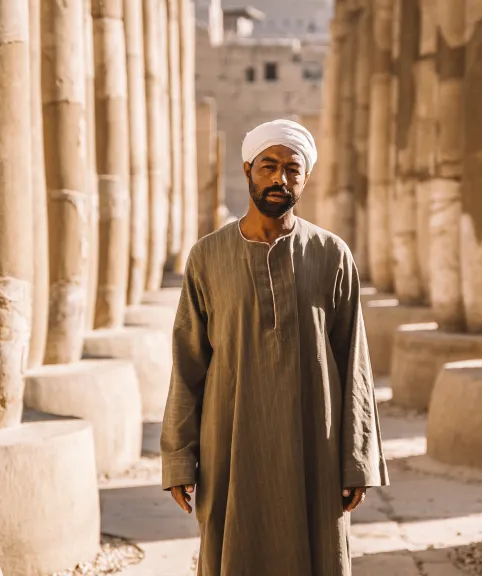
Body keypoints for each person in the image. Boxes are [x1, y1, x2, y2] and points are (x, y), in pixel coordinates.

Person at [160, 119, 389, 575]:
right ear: (248, 168)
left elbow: (353, 361)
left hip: (314, 447)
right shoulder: (207, 257)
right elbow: (188, 363)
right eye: (269, 166)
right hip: (231, 443)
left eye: (292, 170)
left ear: (305, 179)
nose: (280, 179)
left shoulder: (332, 254)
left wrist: (357, 458)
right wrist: (180, 458)